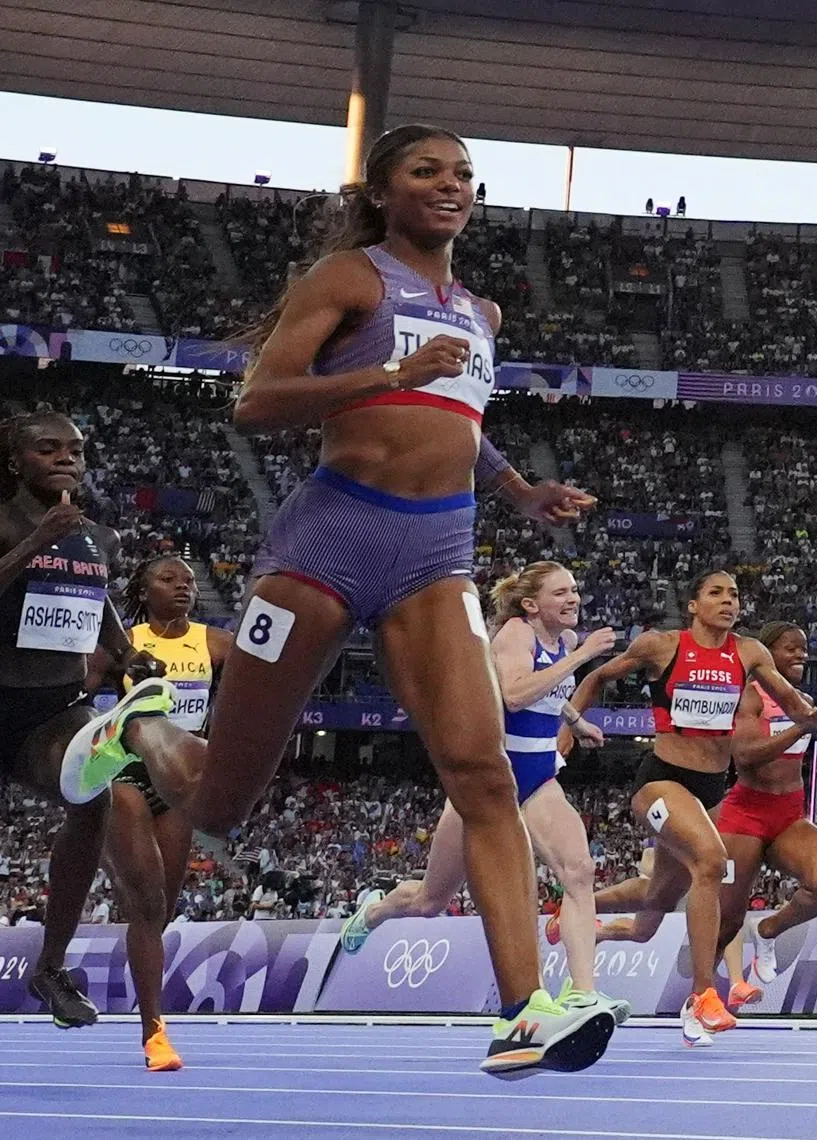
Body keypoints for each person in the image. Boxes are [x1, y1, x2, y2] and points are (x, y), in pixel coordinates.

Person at [57, 124, 614, 1076]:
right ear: (382, 190)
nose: (452, 187)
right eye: (427, 172)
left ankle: (524, 1011)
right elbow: (258, 400)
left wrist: (522, 491)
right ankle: (141, 728)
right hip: (327, 542)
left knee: (481, 776)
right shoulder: (348, 281)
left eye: (465, 176)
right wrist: (389, 372)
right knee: (222, 800)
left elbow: (462, 422)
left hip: (437, 554)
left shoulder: (478, 311)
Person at [341, 561, 630, 1021]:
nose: (573, 599)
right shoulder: (517, 634)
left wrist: (576, 721)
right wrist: (583, 657)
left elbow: (550, 697)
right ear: (532, 605)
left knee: (578, 871)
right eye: (561, 593)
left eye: (575, 590)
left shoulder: (567, 640)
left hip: (538, 779)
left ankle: (583, 993)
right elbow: (514, 694)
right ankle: (374, 912)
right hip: (489, 784)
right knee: (430, 901)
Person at [561, 570, 817, 1047]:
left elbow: (787, 696)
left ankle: (583, 913)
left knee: (653, 908)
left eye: (735, 596)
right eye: (716, 594)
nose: (728, 602)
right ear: (693, 605)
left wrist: (807, 716)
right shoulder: (661, 646)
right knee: (710, 860)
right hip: (659, 781)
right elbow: (598, 675)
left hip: (708, 788)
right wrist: (571, 731)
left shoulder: (749, 652)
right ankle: (704, 994)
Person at [0, 411, 167, 1029]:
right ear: (15, 461)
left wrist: (127, 654)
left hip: (49, 710)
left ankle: (49, 968)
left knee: (91, 793)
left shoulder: (98, 536)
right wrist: (35, 543)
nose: (67, 459)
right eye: (48, 450)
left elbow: (92, 606)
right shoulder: (15, 523)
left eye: (75, 450)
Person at [85, 555, 234, 1070]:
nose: (183, 588)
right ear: (144, 592)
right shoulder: (122, 642)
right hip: (126, 776)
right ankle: (154, 1032)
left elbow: (265, 677)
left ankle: (150, 1018)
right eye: (169, 580)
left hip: (181, 787)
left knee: (160, 913)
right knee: (146, 904)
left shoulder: (214, 643)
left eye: (190, 582)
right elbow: (75, 695)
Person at [716, 622, 817, 1010]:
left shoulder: (801, 700)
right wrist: (800, 727)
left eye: (804, 649)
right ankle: (702, 1000)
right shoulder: (750, 696)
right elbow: (745, 755)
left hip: (789, 815)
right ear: (767, 653)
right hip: (746, 814)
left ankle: (770, 930)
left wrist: (802, 720)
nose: (801, 655)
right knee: (727, 920)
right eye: (791, 648)